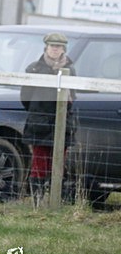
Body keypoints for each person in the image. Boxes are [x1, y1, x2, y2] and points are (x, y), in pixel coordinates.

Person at [20, 32, 77, 205]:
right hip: (40, 124)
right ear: (46, 47)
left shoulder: (70, 70)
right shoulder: (34, 68)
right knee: (39, 163)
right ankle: (37, 202)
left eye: (58, 47)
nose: (55, 49)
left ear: (63, 49)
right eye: (52, 46)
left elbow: (73, 96)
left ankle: (55, 201)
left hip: (63, 124)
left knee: (58, 165)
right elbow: (25, 97)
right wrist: (38, 112)